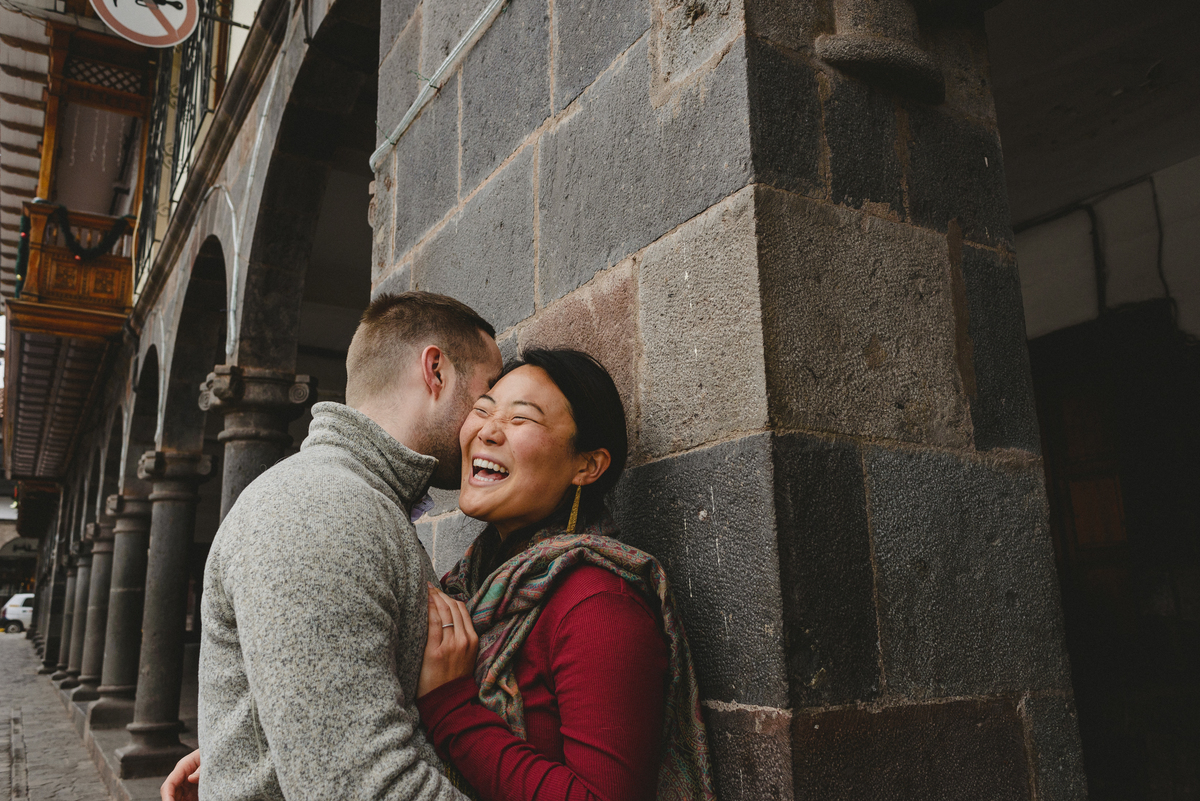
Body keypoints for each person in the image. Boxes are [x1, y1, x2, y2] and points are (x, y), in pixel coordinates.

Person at [181, 291, 503, 801]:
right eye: (486, 396)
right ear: (436, 372)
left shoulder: (356, 501)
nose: (490, 424)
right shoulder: (317, 508)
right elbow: (360, 787)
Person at [415, 349, 715, 801]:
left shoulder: (598, 602)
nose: (487, 431)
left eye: (521, 419)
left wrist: (451, 707)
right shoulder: (468, 587)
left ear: (587, 466)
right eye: (482, 409)